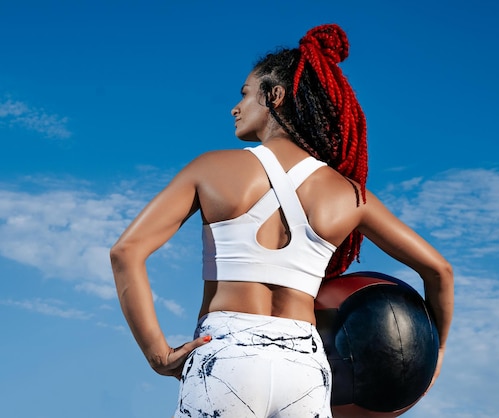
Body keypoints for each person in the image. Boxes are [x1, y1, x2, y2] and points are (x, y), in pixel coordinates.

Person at [110, 23, 453, 418]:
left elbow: (126, 251)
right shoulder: (349, 195)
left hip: (225, 356)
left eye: (244, 94)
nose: (234, 108)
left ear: (275, 95)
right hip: (304, 370)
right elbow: (439, 270)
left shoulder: (211, 168)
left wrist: (157, 353)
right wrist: (436, 353)